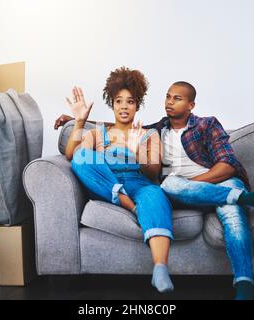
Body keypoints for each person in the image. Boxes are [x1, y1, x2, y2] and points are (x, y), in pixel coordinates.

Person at [56, 81, 254, 300]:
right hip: (151, 185)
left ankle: (241, 282)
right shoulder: (154, 128)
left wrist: (145, 156)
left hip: (203, 183)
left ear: (191, 105)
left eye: (177, 98)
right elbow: (103, 135)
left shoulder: (199, 126)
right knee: (165, 183)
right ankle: (130, 203)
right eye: (167, 97)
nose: (170, 102)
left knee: (222, 209)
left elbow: (223, 165)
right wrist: (77, 121)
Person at [64, 67, 174, 293]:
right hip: (107, 180)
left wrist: (138, 150)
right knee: (82, 156)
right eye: (119, 101)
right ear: (112, 103)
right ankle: (127, 203)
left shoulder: (148, 134)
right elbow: (72, 155)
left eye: (130, 101)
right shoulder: (96, 133)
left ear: (137, 104)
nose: (124, 106)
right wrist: (79, 121)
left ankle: (160, 269)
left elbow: (153, 173)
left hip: (140, 182)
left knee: (156, 196)